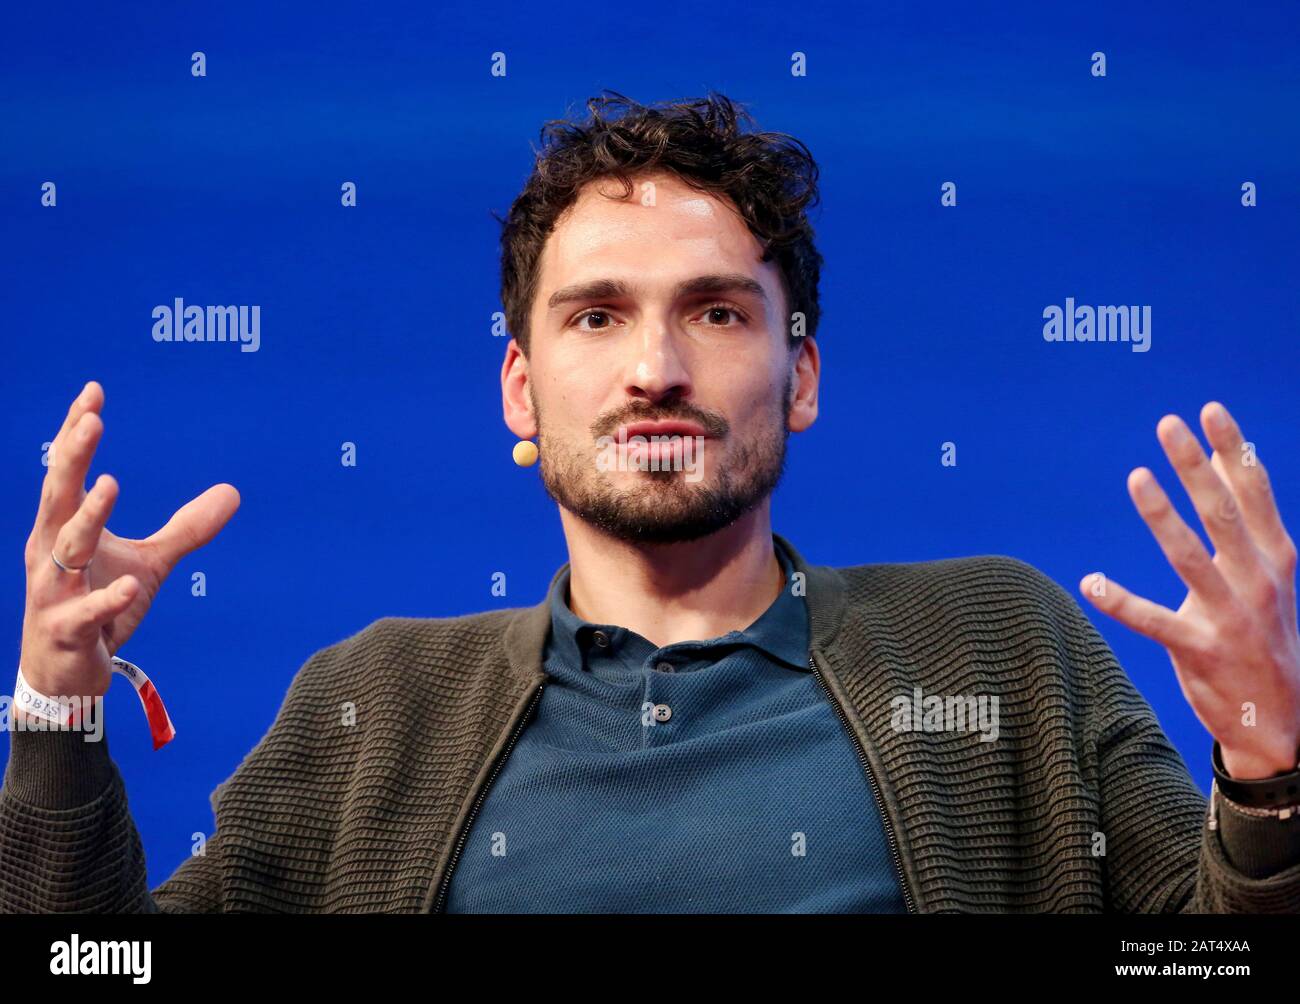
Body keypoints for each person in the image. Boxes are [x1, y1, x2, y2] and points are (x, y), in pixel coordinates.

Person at [4, 92, 1299, 913]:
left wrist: (1269, 773)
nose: (656, 369)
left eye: (718, 313)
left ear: (800, 378)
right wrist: (56, 708)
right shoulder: (374, 706)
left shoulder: (999, 649)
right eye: (597, 314)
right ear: (521, 388)